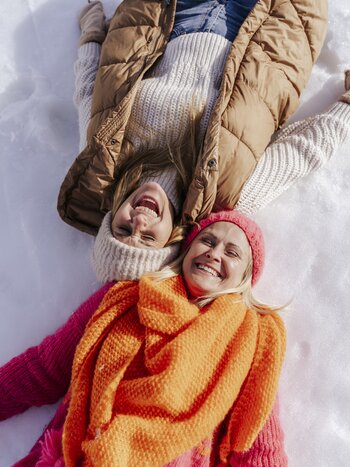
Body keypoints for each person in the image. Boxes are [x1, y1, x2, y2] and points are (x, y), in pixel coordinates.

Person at [0, 210, 287, 466]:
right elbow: (46, 367)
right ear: (186, 250)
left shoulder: (249, 340)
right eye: (208, 241)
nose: (214, 254)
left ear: (246, 277)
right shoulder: (126, 299)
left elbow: (258, 447)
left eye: (232, 252)